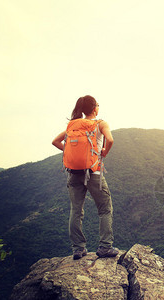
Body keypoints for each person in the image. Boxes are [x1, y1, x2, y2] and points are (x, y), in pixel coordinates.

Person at [52, 95, 119, 260]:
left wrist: (68, 151)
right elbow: (110, 139)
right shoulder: (100, 123)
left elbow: (55, 141)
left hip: (73, 173)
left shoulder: (73, 125)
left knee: (76, 210)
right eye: (97, 105)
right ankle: (105, 247)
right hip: (94, 173)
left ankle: (78, 249)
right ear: (95, 108)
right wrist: (103, 152)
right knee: (104, 209)